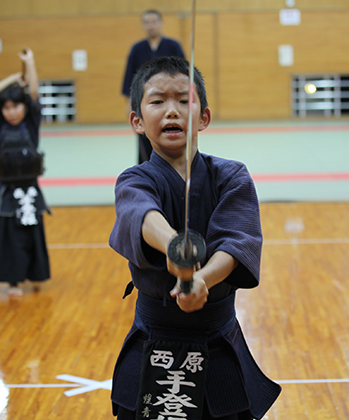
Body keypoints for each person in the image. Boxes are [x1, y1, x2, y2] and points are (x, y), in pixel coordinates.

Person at [109, 56, 281, 420]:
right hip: (153, 342)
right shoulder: (134, 179)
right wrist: (174, 245)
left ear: (203, 117)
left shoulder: (231, 176)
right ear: (137, 121)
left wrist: (201, 278)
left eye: (184, 100)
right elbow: (138, 214)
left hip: (217, 344)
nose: (171, 111)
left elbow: (238, 240)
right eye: (157, 101)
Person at [0, 48, 51, 296]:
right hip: (7, 192)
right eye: (6, 108)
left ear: (24, 108)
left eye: (16, 107)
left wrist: (29, 63)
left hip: (30, 190)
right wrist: (13, 78)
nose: (11, 112)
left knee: (31, 234)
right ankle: (12, 281)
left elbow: (33, 92)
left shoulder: (31, 125)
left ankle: (34, 274)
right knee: (9, 236)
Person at [122, 10, 185, 164]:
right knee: (145, 137)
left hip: (170, 101)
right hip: (145, 101)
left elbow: (185, 74)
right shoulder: (137, 49)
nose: (150, 26)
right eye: (147, 22)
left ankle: (171, 170)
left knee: (169, 135)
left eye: (153, 22)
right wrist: (129, 102)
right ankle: (146, 171)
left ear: (161, 23)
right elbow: (130, 75)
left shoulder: (173, 46)